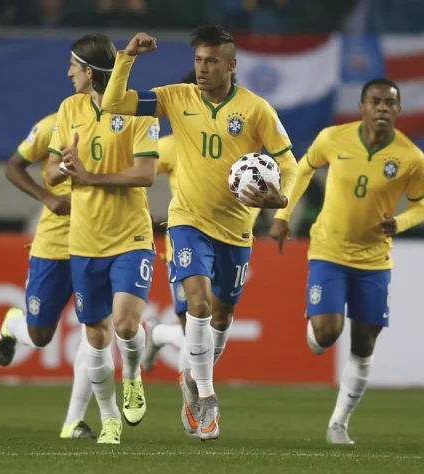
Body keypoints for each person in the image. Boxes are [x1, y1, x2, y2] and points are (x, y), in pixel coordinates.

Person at [101, 25, 298, 441]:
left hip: (236, 230)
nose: (202, 68)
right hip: (187, 222)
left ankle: (187, 370)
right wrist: (128, 56)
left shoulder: (256, 109)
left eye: (211, 61)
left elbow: (289, 162)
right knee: (199, 303)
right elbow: (113, 103)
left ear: (231, 64)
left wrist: (281, 201)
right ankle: (206, 397)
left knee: (221, 318)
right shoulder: (176, 97)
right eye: (198, 60)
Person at [270, 78, 424, 445]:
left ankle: (338, 424)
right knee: (326, 334)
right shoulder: (333, 139)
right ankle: (315, 323)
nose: (383, 108)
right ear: (362, 107)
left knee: (364, 344)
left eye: (390, 102)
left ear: (399, 110)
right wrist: (283, 216)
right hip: (329, 250)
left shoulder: (410, 157)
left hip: (374, 260)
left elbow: (422, 206)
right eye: (375, 101)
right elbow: (304, 168)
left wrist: (400, 223)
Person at [42, 33, 158, 444]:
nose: (68, 72)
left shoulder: (139, 108)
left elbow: (146, 174)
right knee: (95, 336)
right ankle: (109, 419)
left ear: (89, 71)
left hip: (130, 236)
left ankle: (133, 373)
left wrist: (92, 177)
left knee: (126, 326)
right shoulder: (69, 108)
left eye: (73, 66)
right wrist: (67, 167)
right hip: (85, 239)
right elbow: (51, 172)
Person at [141, 71, 263, 377]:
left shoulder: (241, 137)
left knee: (214, 323)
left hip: (231, 236)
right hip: (186, 237)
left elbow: (257, 185)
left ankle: (157, 335)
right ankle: (195, 398)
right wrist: (143, 215)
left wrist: (250, 222)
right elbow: (136, 179)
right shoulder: (170, 146)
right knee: (193, 324)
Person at [0, 112, 96, 439]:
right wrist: (47, 197)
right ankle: (12, 324)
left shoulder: (117, 122)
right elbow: (13, 166)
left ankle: (73, 422)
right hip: (54, 246)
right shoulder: (54, 123)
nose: (70, 73)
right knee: (40, 337)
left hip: (98, 243)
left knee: (95, 333)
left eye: (75, 67)